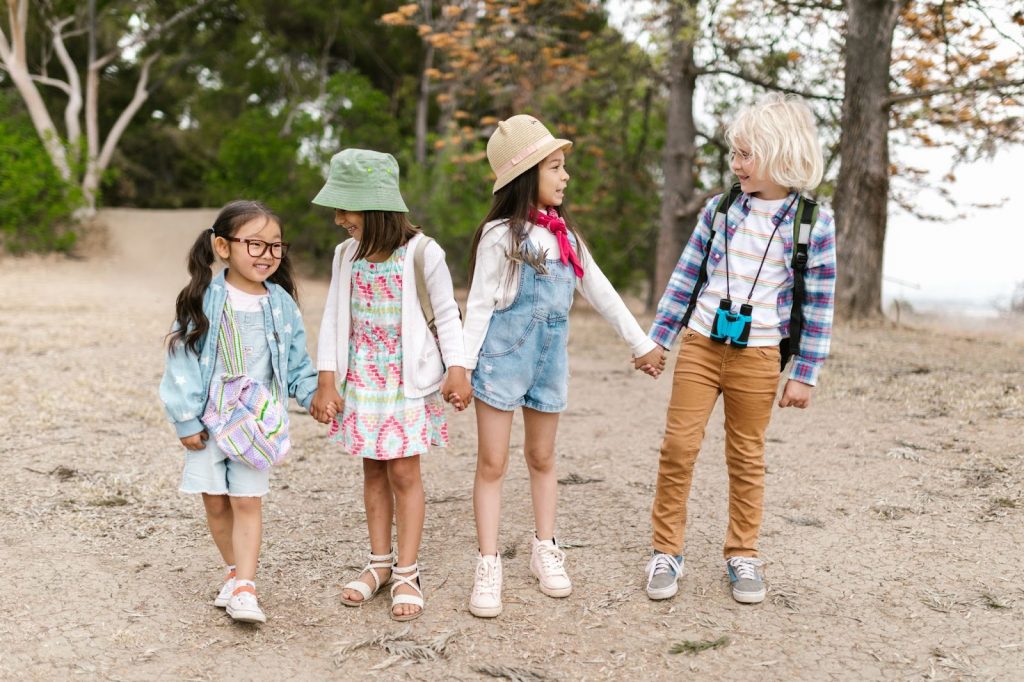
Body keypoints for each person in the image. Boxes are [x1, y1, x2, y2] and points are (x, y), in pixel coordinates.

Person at [463, 114, 666, 618]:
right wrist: (460, 367)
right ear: (527, 174)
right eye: (555, 166)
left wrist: (640, 342)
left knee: (543, 457)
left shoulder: (566, 237)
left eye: (563, 167)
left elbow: (600, 289)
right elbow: (481, 305)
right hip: (501, 362)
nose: (565, 176)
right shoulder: (500, 237)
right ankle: (488, 562)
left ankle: (544, 547)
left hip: (549, 364)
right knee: (493, 462)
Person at [644, 93, 837, 604]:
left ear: (781, 153)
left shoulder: (813, 222)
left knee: (746, 455)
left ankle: (743, 554)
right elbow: (687, 276)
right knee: (678, 447)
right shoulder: (721, 208)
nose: (737, 164)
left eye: (747, 154)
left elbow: (819, 303)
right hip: (703, 344)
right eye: (735, 154)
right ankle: (666, 550)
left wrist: (805, 372)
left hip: (759, 356)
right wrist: (659, 339)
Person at [308, 149, 471, 622]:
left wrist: (457, 368)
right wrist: (327, 379)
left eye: (346, 208)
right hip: (363, 380)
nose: (339, 219)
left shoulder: (423, 252)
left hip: (406, 382)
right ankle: (378, 563)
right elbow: (335, 317)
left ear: (376, 207)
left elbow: (445, 312)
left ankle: (407, 570)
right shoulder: (345, 256)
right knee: (373, 472)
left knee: (404, 474)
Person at [159, 200, 320, 624]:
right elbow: (181, 363)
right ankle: (233, 572)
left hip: (256, 425)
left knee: (247, 501)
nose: (266, 255)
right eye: (255, 244)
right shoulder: (201, 299)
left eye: (275, 246)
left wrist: (314, 395)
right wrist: (186, 419)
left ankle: (246, 586)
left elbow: (298, 362)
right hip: (210, 423)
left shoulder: (281, 303)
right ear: (222, 247)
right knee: (215, 503)